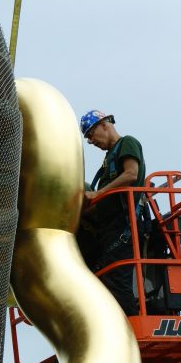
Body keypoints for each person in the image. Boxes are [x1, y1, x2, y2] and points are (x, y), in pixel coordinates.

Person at [76, 109, 146, 315]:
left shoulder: (127, 143)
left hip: (124, 226)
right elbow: (108, 201)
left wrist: (98, 193)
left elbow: (131, 175)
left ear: (105, 125)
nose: (90, 141)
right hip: (109, 228)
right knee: (102, 275)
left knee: (116, 280)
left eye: (91, 134)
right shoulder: (109, 159)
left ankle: (130, 326)